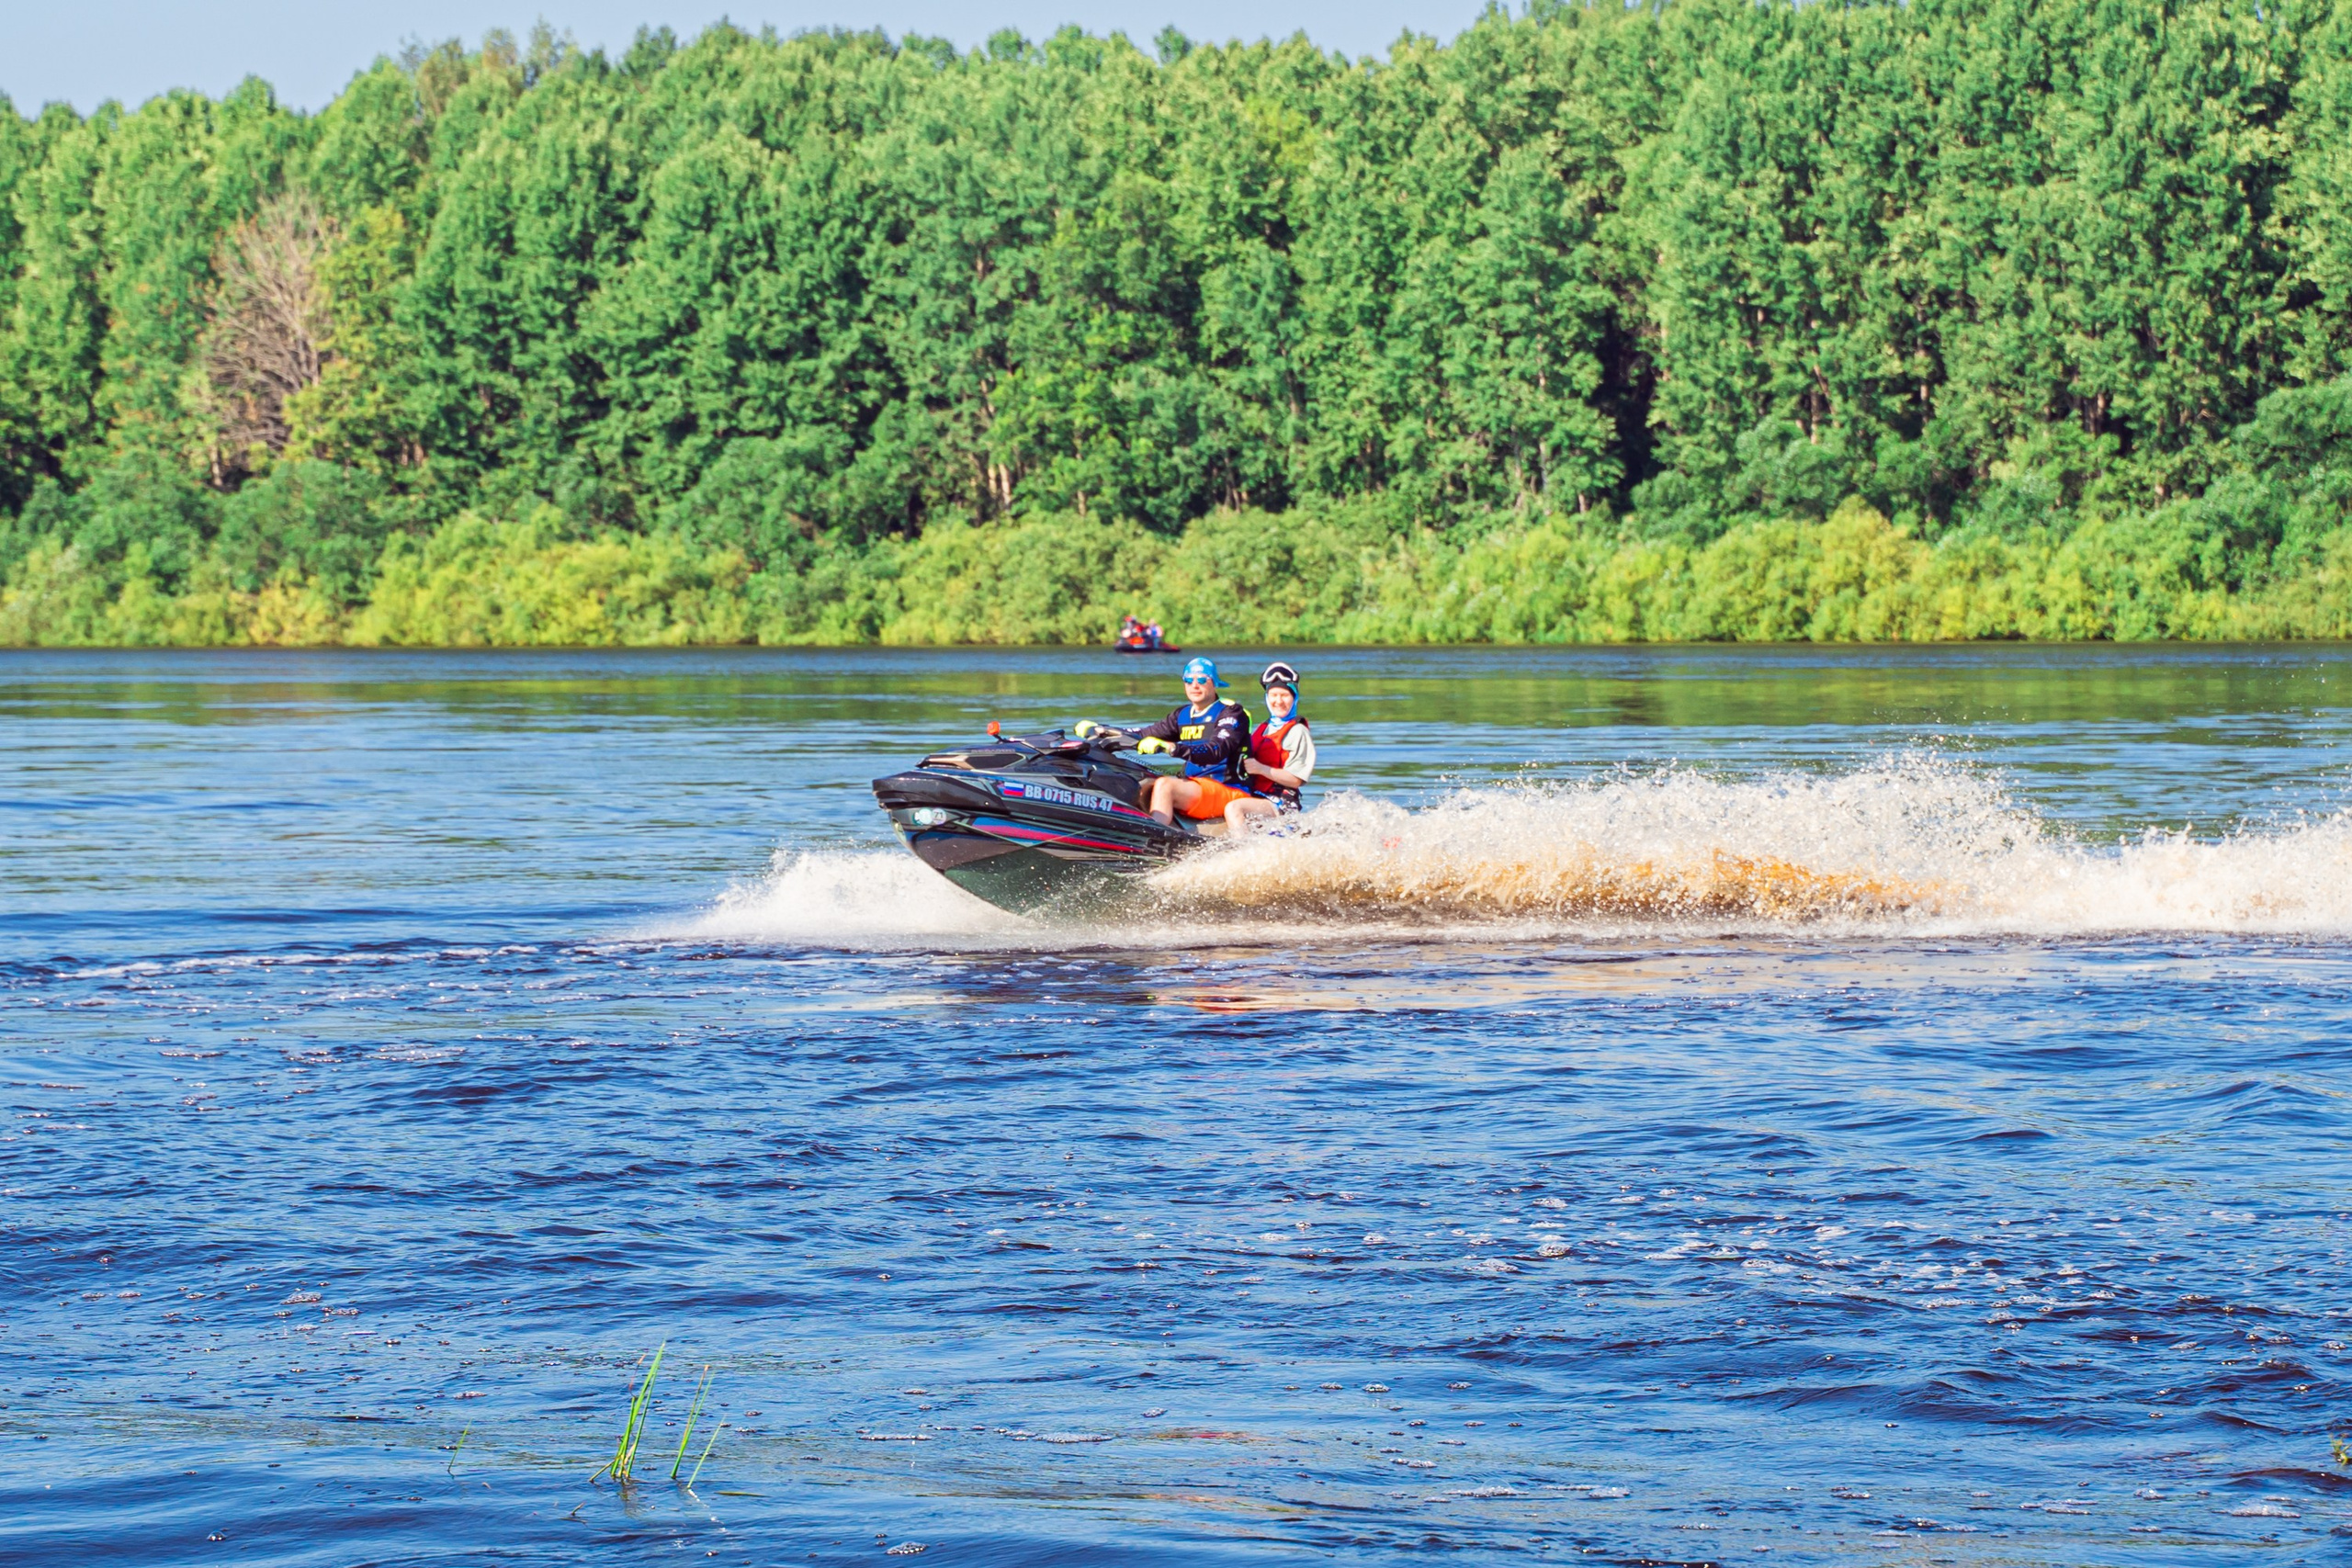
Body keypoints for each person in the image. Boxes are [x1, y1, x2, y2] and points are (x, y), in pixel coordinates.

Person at [1077, 657, 1251, 825]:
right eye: (1189, 680)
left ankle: (1154, 838)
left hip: (1230, 789)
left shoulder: (1232, 713)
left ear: (1214, 683)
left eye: (1202, 680)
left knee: (1165, 785)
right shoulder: (1182, 715)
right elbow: (1145, 733)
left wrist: (1171, 748)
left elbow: (1216, 751)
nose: (1195, 685)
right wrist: (1102, 730)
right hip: (1196, 787)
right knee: (1142, 784)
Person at [1225, 661, 1317, 831]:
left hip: (1281, 803)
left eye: (1285, 695)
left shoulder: (1298, 732)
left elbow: (1296, 779)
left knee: (1234, 808)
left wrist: (1261, 769)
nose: (1279, 701)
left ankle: (1243, 852)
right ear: (1267, 698)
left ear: (1294, 698)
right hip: (1255, 796)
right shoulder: (1263, 728)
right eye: (1273, 695)